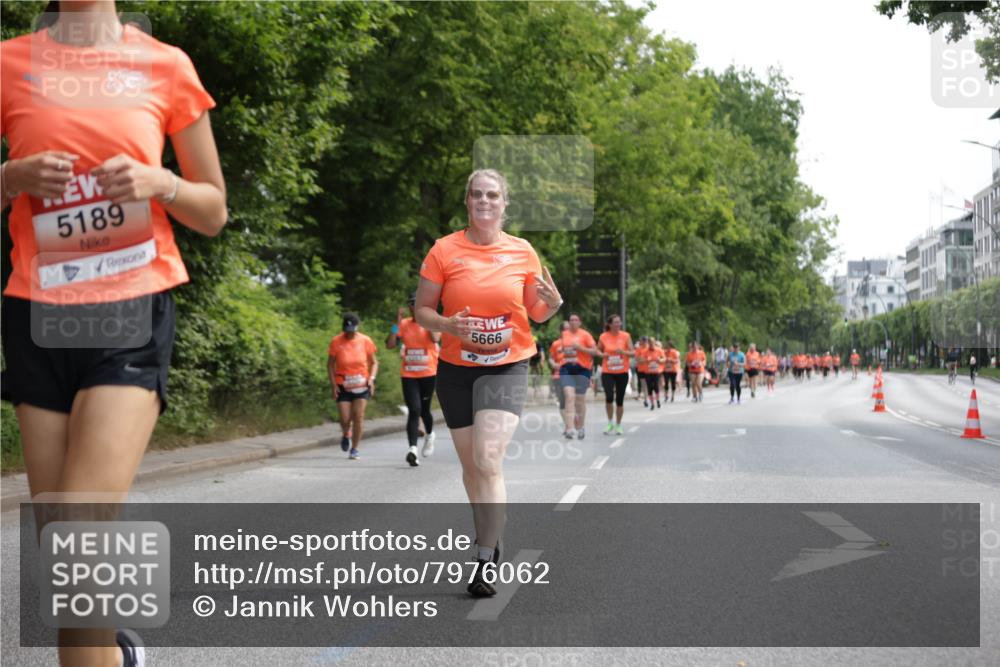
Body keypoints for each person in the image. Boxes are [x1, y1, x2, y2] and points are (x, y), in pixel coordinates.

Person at [1, 5, 226, 665]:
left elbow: (212, 209)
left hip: (130, 308)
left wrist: (161, 182)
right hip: (36, 316)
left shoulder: (165, 65)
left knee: (79, 538)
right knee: (66, 567)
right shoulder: (10, 62)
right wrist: (11, 177)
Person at [414, 168, 562, 597]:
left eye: (492, 195)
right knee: (470, 470)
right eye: (477, 194)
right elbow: (423, 310)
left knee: (488, 458)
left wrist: (553, 306)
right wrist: (448, 325)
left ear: (504, 203)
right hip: (457, 369)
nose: (484, 201)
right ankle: (491, 539)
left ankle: (484, 559)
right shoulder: (443, 250)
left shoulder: (522, 252)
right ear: (467, 201)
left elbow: (536, 312)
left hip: (507, 364)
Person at [386, 293, 440, 467]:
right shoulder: (403, 324)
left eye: (417, 304)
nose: (414, 307)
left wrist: (429, 319)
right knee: (414, 410)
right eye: (411, 304)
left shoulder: (432, 321)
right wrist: (396, 324)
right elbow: (390, 345)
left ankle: (430, 435)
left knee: (425, 410)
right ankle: (412, 450)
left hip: (428, 373)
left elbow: (436, 338)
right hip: (409, 374)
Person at [328, 313, 378, 460]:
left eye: (352, 329)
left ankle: (355, 448)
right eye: (347, 329)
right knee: (345, 419)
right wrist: (333, 385)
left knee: (358, 417)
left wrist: (372, 379)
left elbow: (374, 362)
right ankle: (346, 433)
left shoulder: (365, 340)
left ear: (357, 328)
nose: (349, 333)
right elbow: (330, 365)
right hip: (343, 385)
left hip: (361, 385)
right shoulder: (336, 341)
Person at [558, 313, 598, 439]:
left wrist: (580, 348)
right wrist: (563, 351)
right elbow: (564, 349)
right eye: (571, 320)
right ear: (569, 322)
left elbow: (595, 351)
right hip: (567, 368)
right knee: (569, 397)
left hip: (582, 370)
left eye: (576, 320)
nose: (573, 322)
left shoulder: (585, 335)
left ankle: (580, 427)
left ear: (580, 322)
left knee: (580, 400)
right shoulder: (564, 334)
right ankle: (569, 428)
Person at [597, 314, 633, 435]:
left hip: (622, 371)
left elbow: (633, 353)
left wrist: (623, 352)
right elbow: (598, 351)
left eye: (619, 322)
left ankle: (618, 425)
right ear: (610, 324)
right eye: (616, 322)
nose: (618, 324)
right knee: (609, 396)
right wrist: (603, 355)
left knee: (619, 400)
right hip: (608, 371)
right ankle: (610, 422)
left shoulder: (626, 336)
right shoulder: (603, 336)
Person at [548, 322, 569, 411]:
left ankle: (571, 422)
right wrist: (553, 364)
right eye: (565, 329)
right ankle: (567, 423)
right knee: (562, 403)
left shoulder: (576, 342)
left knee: (571, 398)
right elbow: (550, 358)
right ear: (561, 331)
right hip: (559, 375)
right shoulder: (556, 344)